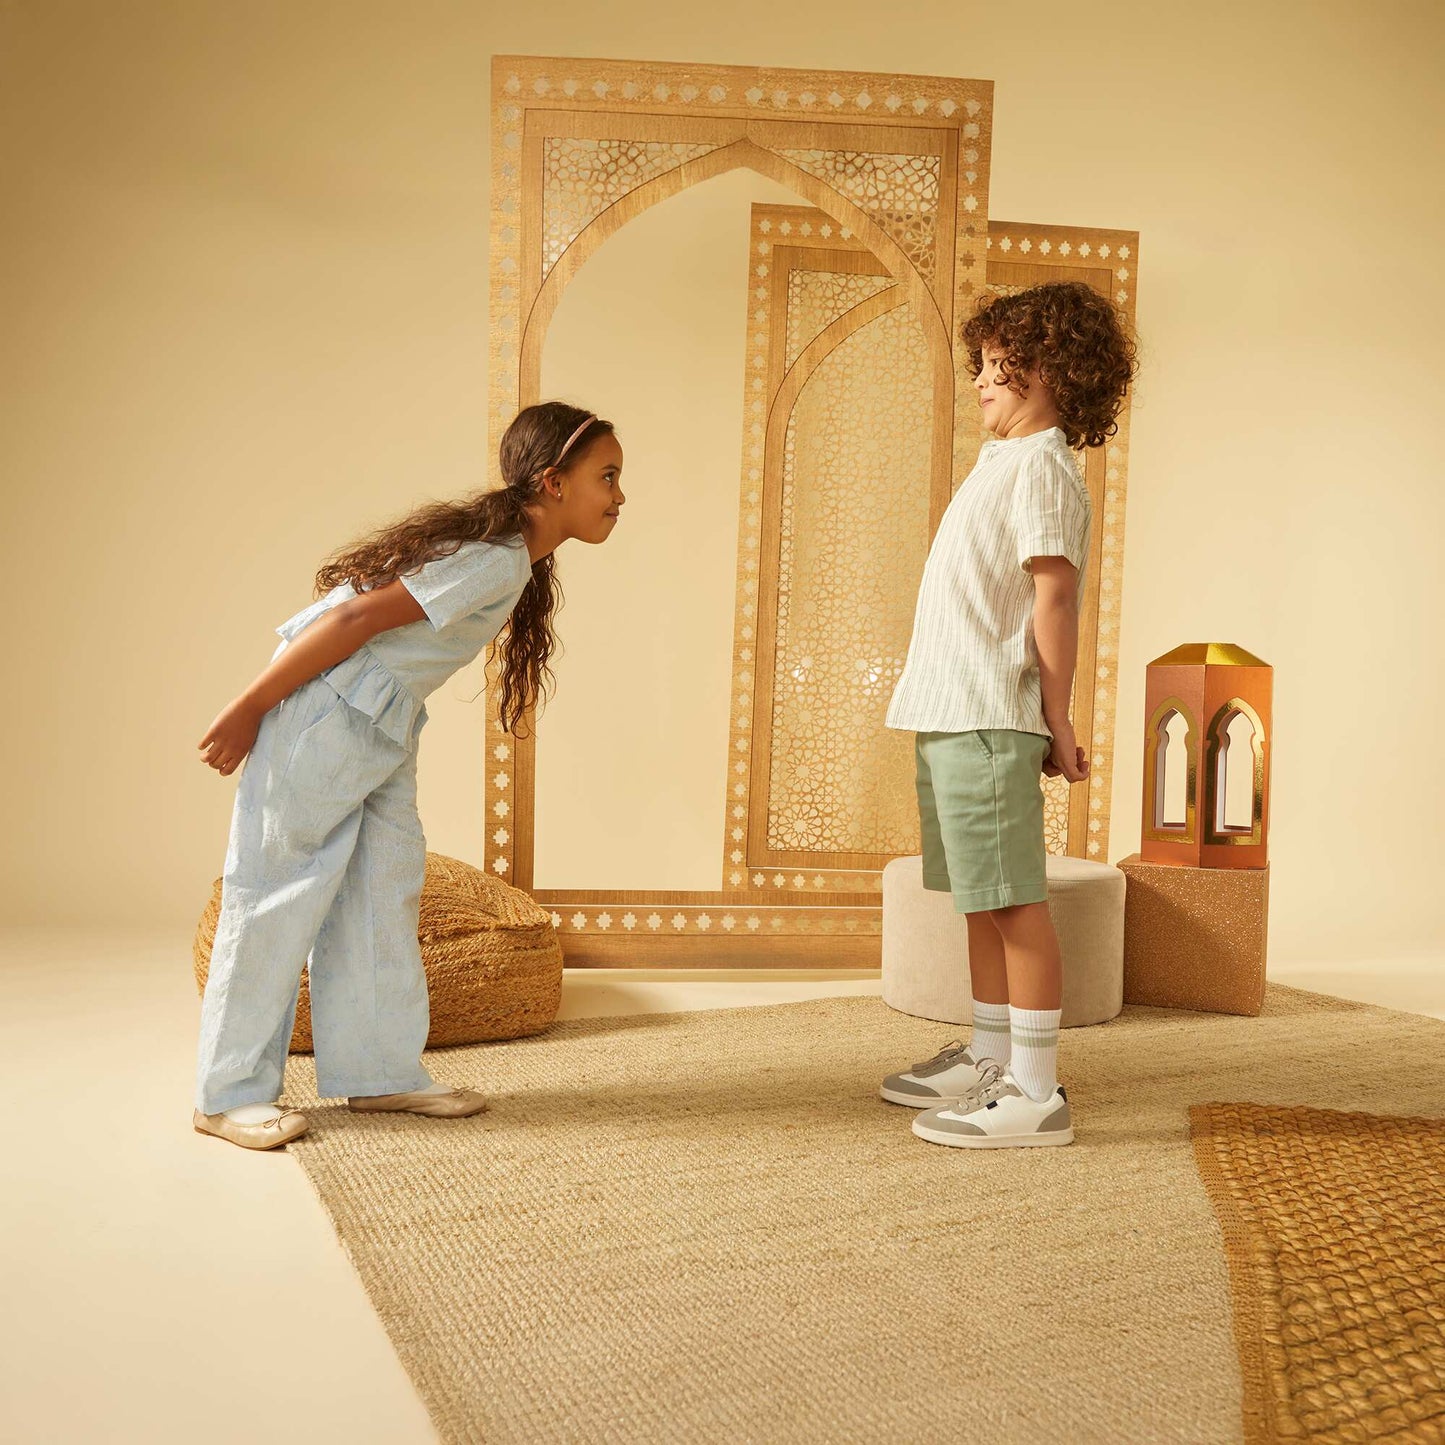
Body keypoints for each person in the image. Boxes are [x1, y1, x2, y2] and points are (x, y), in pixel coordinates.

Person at [192, 402, 624, 1150]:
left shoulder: (512, 558)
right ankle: (225, 1095)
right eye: (607, 476)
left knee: (379, 891)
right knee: (275, 895)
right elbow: (354, 621)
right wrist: (250, 706)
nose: (619, 495)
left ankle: (378, 1068)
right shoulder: (493, 557)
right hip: (325, 717)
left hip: (380, 727)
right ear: (553, 483)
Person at [879, 282, 1137, 1148]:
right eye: (981, 364)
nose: (983, 381)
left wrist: (1056, 718)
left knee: (1014, 900)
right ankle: (993, 1053)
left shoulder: (1043, 466)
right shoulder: (1001, 460)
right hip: (950, 708)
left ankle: (1035, 1089)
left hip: (991, 712)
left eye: (1002, 366)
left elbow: (1054, 599)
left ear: (1056, 373)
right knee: (982, 899)